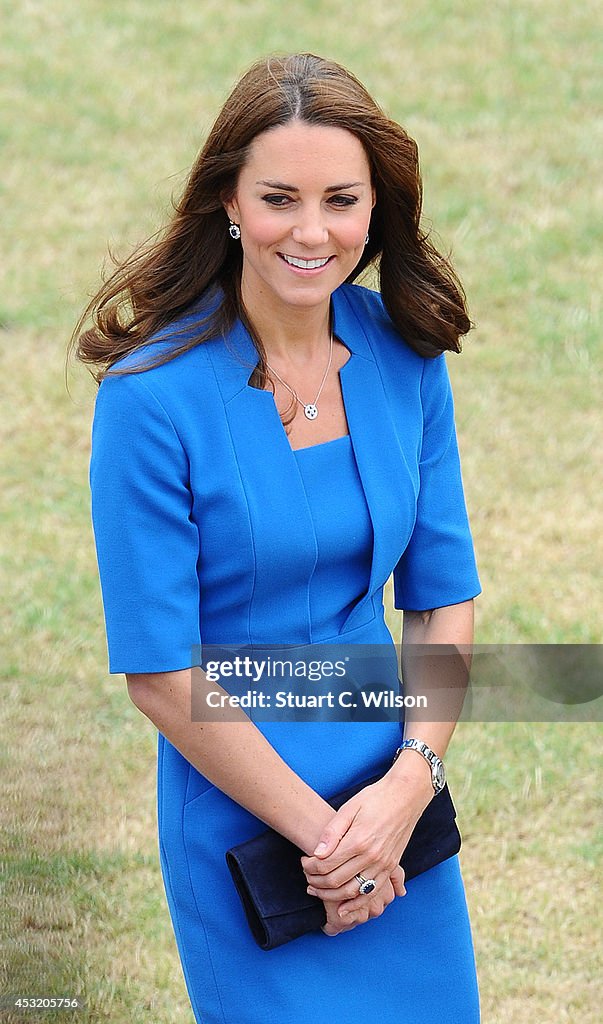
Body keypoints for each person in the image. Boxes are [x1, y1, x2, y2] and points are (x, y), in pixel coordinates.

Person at [73, 53, 481, 1023]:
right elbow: (161, 672)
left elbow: (442, 597)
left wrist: (406, 788)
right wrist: (333, 844)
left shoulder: (404, 356)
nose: (312, 231)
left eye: (341, 199)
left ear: (377, 209)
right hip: (246, 822)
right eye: (279, 198)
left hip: (393, 803)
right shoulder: (149, 400)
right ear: (227, 200)